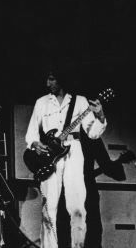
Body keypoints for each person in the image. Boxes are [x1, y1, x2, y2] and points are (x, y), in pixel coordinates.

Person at [25, 68, 107, 248]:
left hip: (74, 151)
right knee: (49, 207)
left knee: (77, 205)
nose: (48, 84)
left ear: (62, 78)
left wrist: (100, 114)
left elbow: (93, 134)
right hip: (49, 155)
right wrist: (35, 144)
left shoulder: (80, 101)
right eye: (47, 79)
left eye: (52, 79)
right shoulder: (41, 102)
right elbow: (31, 134)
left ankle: (78, 245)